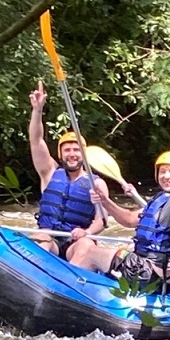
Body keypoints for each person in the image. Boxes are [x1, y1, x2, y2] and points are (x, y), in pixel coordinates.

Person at [69, 148, 170, 290]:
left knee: (89, 253)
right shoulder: (160, 199)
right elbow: (129, 219)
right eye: (162, 171)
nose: (166, 176)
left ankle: (67, 294)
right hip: (146, 267)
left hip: (158, 274)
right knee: (85, 247)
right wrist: (105, 201)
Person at [27, 81, 104, 256]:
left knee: (85, 244)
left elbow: (102, 220)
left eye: (76, 150)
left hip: (75, 242)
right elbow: (36, 140)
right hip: (50, 238)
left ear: (84, 154)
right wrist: (37, 110)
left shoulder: (96, 183)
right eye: (67, 150)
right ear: (60, 155)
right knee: (41, 238)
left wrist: (88, 232)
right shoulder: (49, 172)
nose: (72, 154)